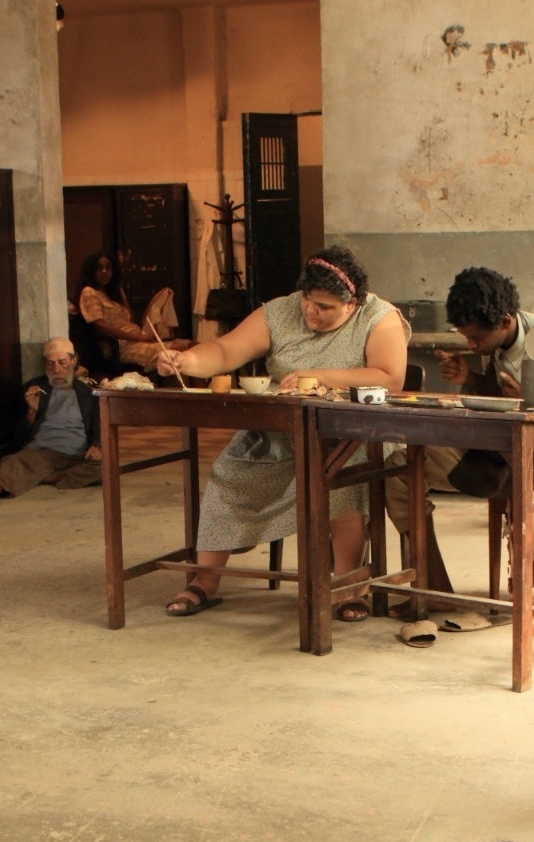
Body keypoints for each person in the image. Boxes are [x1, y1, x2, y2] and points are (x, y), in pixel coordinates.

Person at [156, 246, 409, 620]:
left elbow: (390, 378)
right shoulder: (280, 311)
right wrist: (187, 360)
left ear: (352, 303)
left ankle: (347, 587)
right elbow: (226, 352)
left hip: (347, 434)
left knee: (339, 485)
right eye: (308, 300)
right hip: (279, 431)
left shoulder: (378, 317)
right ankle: (204, 581)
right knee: (228, 477)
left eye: (324, 307)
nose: (311, 311)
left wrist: (321, 376)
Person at [383, 267, 534, 595]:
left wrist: (533, 405)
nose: (470, 344)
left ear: (504, 321)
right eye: (465, 336)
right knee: (401, 469)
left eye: (477, 338)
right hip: (508, 451)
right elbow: (499, 397)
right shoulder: (498, 344)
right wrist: (470, 378)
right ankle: (436, 592)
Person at [0, 337, 103, 506]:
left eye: (62, 362)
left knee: (104, 470)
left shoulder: (87, 394)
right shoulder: (33, 389)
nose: (57, 369)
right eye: (50, 364)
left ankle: (46, 477)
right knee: (12, 461)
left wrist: (97, 445)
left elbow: (98, 426)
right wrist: (31, 412)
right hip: (40, 454)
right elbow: (19, 437)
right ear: (44, 364)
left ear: (74, 361)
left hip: (76, 456)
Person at [76, 250, 191, 374]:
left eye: (108, 268)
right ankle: (184, 391)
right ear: (91, 271)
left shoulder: (113, 293)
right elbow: (100, 326)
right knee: (178, 352)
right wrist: (136, 337)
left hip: (137, 338)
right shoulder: (89, 292)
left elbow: (130, 319)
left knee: (190, 345)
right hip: (120, 345)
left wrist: (120, 291)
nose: (105, 272)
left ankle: (198, 389)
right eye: (99, 268)